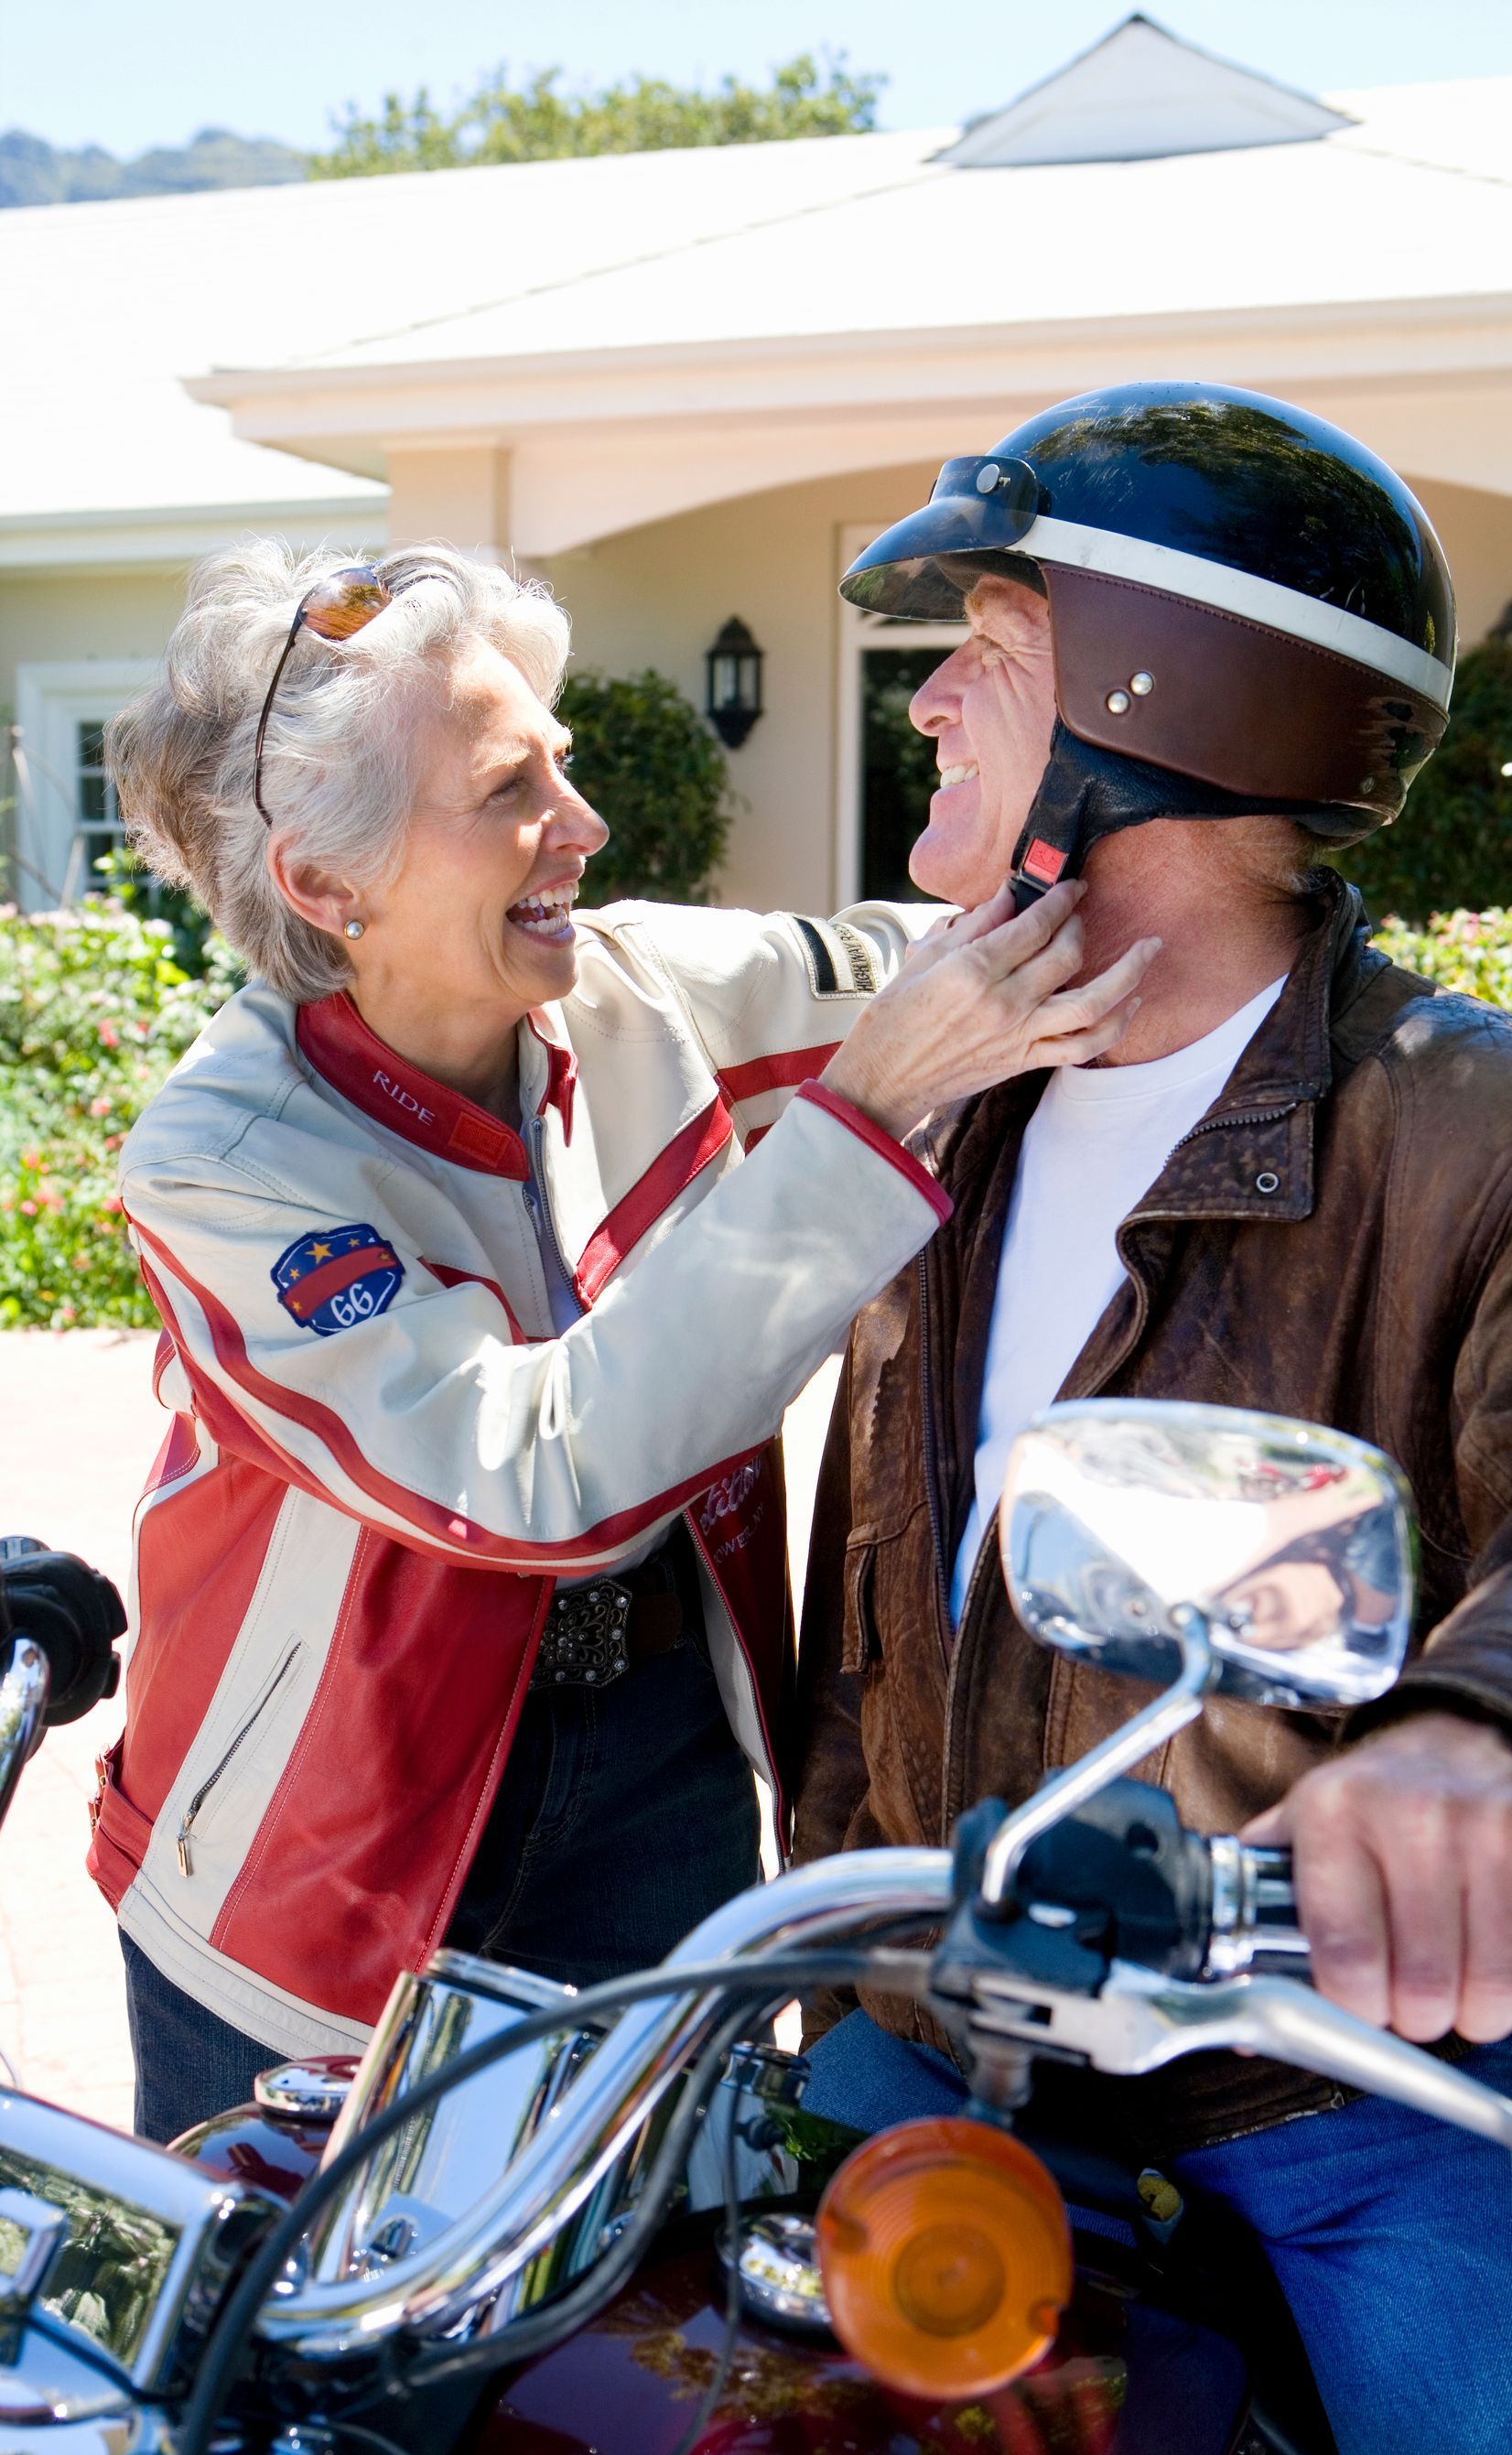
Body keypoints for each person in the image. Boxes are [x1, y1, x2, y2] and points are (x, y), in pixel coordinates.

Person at [794, 383, 1512, 2455]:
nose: (926, 696)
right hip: (942, 2024)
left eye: (990, 646)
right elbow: (886, 1592)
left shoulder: (1487, 1134)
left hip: (1333, 2070)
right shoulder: (971, 1106)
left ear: (1164, 706)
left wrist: (1499, 1737)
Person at [93, 541, 1151, 2147]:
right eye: (511, 788)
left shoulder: (637, 989)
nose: (580, 828)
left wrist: (1117, 760)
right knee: (318, 2363)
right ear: (324, 883)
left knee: (640, 2344)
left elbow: (954, 969)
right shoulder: (227, 1163)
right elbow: (526, 1475)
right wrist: (862, 1115)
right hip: (321, 1877)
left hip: (663, 1785)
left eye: (562, 766)